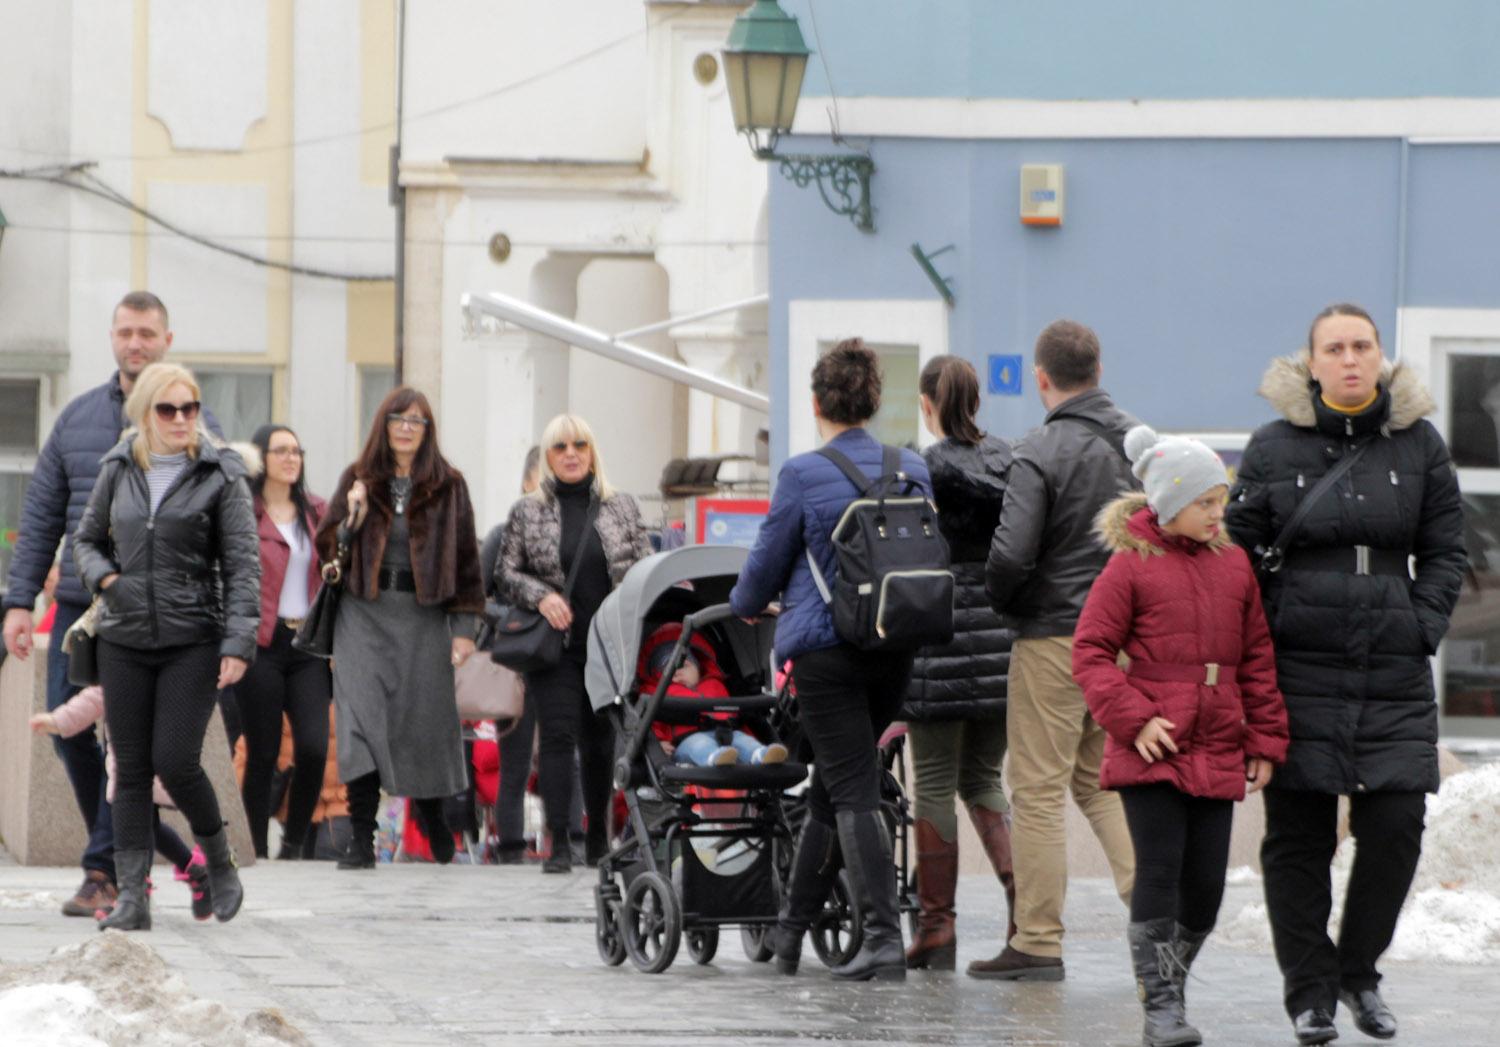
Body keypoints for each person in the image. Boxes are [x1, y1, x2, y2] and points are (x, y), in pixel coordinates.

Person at [1225, 303, 1466, 1045]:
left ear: (1381, 356)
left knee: (1396, 826)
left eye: (1363, 345)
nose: (1351, 358)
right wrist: (1266, 636)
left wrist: (1419, 623)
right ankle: (1310, 991)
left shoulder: (1420, 444)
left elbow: (1449, 549)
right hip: (1299, 664)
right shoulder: (1271, 447)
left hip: (1391, 664)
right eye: (1336, 347)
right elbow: (1238, 555)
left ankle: (1359, 971)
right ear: (1313, 362)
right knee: (1297, 836)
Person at [1, 291, 219, 918]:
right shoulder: (75, 421)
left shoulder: (195, 426)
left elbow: (226, 528)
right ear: (113, 338)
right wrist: (20, 602)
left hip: (164, 615)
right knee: (68, 731)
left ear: (167, 340)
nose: (135, 343)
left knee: (135, 748)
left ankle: (105, 873)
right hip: (82, 604)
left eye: (147, 333)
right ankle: (182, 859)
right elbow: (42, 515)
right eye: (125, 332)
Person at [1074, 426, 1289, 1047]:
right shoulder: (1129, 567)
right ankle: (1162, 1008)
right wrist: (1133, 719)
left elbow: (1256, 656)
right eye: (1206, 503)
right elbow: (1089, 652)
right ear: (1169, 503)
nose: (1219, 513)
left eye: (1221, 500)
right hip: (1154, 743)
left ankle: (1166, 984)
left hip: (1219, 738)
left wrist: (1266, 739)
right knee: (1160, 873)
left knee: (1207, 888)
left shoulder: (1234, 563)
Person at [731, 338, 930, 983]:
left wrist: (746, 603)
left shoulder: (801, 473)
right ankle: (789, 939)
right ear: (875, 401)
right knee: (834, 786)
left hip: (826, 653)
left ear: (816, 402)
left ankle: (882, 940)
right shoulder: (912, 467)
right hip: (895, 643)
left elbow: (760, 574)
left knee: (851, 786)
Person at [71, 362, 258, 931]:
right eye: (168, 409)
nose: (182, 419)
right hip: (123, 639)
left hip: (192, 640)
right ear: (145, 413)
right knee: (130, 770)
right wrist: (106, 578)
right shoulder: (119, 466)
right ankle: (132, 897)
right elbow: (85, 538)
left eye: (191, 408)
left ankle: (219, 863)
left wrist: (238, 642)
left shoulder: (220, 474)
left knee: (176, 762)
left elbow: (243, 565)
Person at [981, 319, 1138, 981]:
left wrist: (1008, 604)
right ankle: (1157, 909)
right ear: (1098, 370)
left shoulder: (1039, 448)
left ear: (1042, 378)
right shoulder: (1139, 443)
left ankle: (1038, 939)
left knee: (1038, 788)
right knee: (1102, 781)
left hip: (1054, 635)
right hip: (1126, 637)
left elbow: (1011, 552)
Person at [317, 387, 486, 871]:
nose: (407, 428)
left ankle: (432, 813)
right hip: (362, 614)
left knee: (422, 722)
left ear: (428, 431)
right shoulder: (358, 479)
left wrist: (465, 627)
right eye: (398, 419)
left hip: (423, 615)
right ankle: (361, 838)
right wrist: (350, 519)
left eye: (417, 421)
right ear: (383, 425)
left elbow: (468, 562)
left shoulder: (449, 485)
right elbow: (326, 548)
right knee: (359, 723)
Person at [901, 355, 1019, 971]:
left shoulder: (922, 467)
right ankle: (1027, 912)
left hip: (939, 632)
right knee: (983, 777)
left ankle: (937, 926)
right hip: (1001, 638)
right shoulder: (1009, 459)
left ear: (928, 403)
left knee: (934, 782)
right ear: (979, 400)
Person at [497, 415, 653, 873]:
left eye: (580, 445)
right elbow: (505, 573)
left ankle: (599, 839)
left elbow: (644, 564)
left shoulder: (620, 506)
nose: (571, 453)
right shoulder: (528, 510)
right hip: (555, 646)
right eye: (560, 446)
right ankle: (559, 841)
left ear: (592, 452)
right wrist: (541, 596)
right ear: (547, 457)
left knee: (601, 741)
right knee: (559, 738)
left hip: (608, 644)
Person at [31, 685, 214, 922]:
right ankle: (193, 871)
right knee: (137, 823)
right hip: (123, 767)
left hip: (151, 764)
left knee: (139, 822)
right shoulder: (121, 664)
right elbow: (98, 694)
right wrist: (58, 720)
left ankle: (135, 893)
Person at [481, 446, 584, 864]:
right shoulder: (503, 535)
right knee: (516, 759)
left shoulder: (581, 532)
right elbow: (479, 597)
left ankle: (572, 839)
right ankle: (510, 846)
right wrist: (523, 619)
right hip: (520, 660)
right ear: (527, 483)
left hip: (566, 659)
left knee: (568, 751)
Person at [235, 424, 331, 860]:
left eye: (297, 450)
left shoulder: (317, 511)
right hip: (262, 645)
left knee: (313, 745)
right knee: (264, 751)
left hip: (307, 645)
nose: (292, 458)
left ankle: (292, 842)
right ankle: (255, 844)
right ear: (262, 459)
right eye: (281, 451)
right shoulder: (245, 513)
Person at [638, 622, 788, 767]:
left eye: (683, 666)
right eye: (667, 670)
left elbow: (737, 715)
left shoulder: (715, 684)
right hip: (685, 741)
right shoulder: (657, 694)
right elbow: (651, 724)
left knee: (743, 740)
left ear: (698, 668)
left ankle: (761, 755)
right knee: (699, 744)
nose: (676, 673)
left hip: (726, 733)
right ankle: (715, 757)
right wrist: (658, 743)